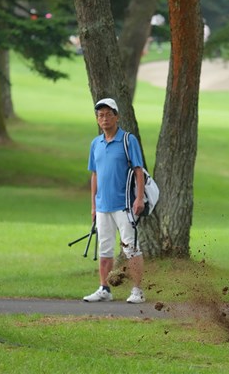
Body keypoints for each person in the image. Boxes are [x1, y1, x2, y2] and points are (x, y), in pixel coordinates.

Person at [83, 98, 146, 304]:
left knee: (130, 248)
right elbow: (95, 175)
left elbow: (139, 171)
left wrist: (139, 199)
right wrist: (93, 205)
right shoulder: (96, 143)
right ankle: (104, 289)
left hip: (125, 205)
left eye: (109, 114)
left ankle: (137, 291)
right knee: (105, 248)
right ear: (97, 119)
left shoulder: (128, 140)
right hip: (103, 206)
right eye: (100, 115)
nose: (104, 118)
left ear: (116, 116)